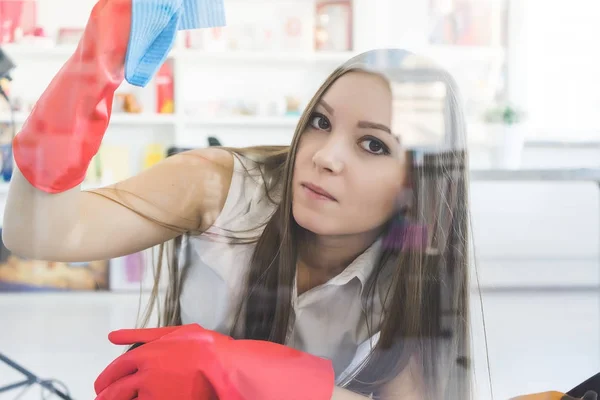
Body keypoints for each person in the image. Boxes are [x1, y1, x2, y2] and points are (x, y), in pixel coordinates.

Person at [2, 1, 594, 400]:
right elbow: (40, 236)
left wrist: (276, 383)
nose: (325, 155)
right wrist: (90, 71)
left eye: (372, 144)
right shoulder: (226, 185)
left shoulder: (414, 272)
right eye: (319, 122)